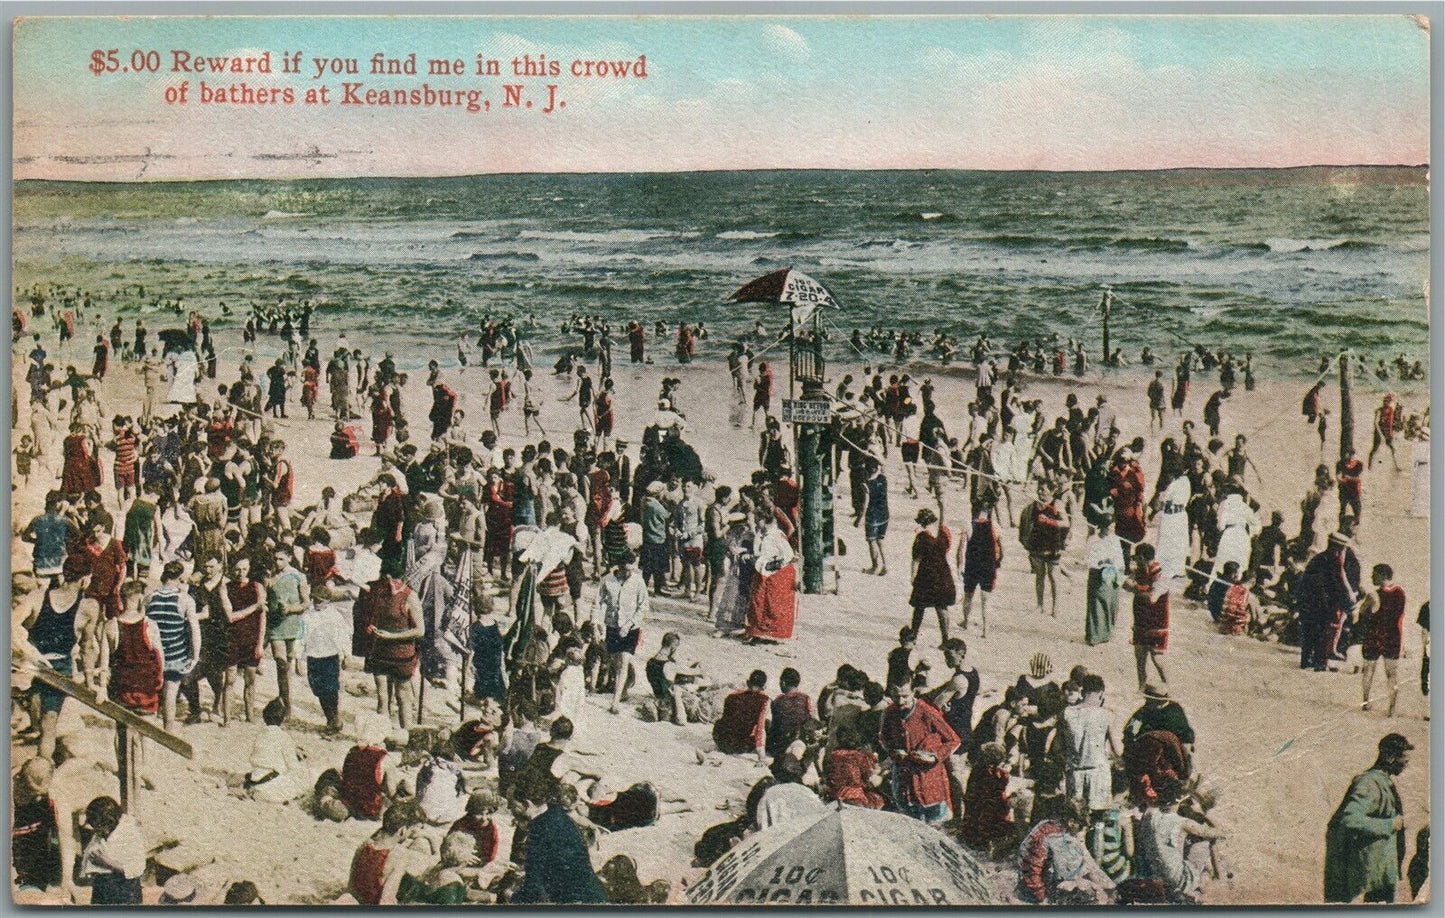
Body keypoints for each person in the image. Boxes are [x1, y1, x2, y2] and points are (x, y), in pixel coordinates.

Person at [1324, 733, 1412, 903]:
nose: (1405, 766)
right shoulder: (1369, 783)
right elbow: (1349, 819)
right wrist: (1389, 825)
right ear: (1390, 757)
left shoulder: (1384, 782)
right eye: (1404, 761)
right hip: (1366, 880)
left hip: (1380, 875)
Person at [878, 679, 960, 825]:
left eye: (905, 696)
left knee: (937, 825)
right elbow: (884, 738)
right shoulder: (889, 712)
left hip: (929, 780)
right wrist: (893, 752)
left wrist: (934, 757)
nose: (901, 701)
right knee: (909, 825)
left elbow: (953, 740)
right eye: (896, 697)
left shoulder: (926, 711)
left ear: (913, 692)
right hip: (904, 781)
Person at [513, 785, 608, 904]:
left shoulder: (540, 827)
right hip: (591, 895)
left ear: (527, 804)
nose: (509, 808)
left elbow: (533, 884)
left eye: (512, 805)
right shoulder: (555, 813)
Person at [1135, 777, 1224, 903]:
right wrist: (1204, 815)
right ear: (1180, 799)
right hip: (1176, 880)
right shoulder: (1182, 823)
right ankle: (1201, 886)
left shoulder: (1150, 813)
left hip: (1150, 872)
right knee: (1203, 843)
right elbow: (1218, 833)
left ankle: (1211, 877)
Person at [144, 561, 201, 731]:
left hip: (153, 655)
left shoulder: (150, 596)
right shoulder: (185, 599)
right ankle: (168, 732)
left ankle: (151, 729)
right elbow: (194, 629)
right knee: (170, 695)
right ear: (180, 577)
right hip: (176, 654)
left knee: (153, 694)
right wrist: (194, 655)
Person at [1296, 531, 1361, 672]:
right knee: (1324, 633)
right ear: (1339, 548)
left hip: (1308, 602)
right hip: (1323, 605)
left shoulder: (1318, 558)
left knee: (1309, 632)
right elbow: (1341, 583)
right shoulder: (1335, 560)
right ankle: (1321, 663)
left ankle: (1306, 660)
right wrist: (1351, 602)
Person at [1059, 674, 1119, 814]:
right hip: (1098, 772)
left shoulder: (1066, 713)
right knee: (1098, 819)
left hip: (1075, 773)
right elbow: (1118, 749)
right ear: (1100, 693)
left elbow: (1058, 746)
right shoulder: (1107, 715)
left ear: (1083, 691)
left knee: (1076, 817)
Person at [1358, 564, 1406, 717]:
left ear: (1382, 575)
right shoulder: (1399, 593)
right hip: (1391, 637)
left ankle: (1366, 702)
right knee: (1391, 673)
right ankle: (1391, 709)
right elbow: (1396, 616)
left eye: (1374, 574)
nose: (1372, 577)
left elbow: (1362, 616)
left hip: (1374, 636)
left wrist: (1371, 605)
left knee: (1368, 670)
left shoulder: (1374, 595)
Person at [78, 796, 146, 905]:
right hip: (102, 888)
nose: (96, 830)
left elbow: (137, 869)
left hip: (124, 891)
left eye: (98, 826)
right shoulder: (101, 834)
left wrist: (107, 862)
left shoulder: (129, 833)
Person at [246, 698, 311, 803]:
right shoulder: (284, 737)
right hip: (269, 787)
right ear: (282, 719)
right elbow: (293, 767)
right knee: (301, 778)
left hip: (255, 781)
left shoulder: (260, 735)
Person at [12, 757, 62, 891]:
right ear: (20, 779)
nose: (39, 797)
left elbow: (63, 829)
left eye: (42, 793)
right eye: (33, 792)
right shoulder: (11, 789)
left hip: (39, 835)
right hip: (18, 836)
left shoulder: (52, 781)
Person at [908, 508, 956, 646]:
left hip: (926, 575)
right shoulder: (943, 535)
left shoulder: (921, 537)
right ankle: (945, 639)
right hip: (942, 574)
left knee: (919, 607)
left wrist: (912, 576)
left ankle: (914, 636)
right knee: (942, 608)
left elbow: (916, 559)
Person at [746, 514, 796, 645]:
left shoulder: (776, 534)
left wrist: (773, 565)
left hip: (776, 574)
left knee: (773, 604)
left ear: (766, 521)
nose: (757, 523)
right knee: (758, 601)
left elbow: (788, 554)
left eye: (759, 520)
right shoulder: (762, 533)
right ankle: (758, 632)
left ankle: (772, 635)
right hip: (763, 571)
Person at [1021, 481, 1069, 617]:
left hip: (1053, 544)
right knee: (1039, 575)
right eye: (1039, 490)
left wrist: (1050, 520)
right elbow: (1026, 521)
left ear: (1051, 491)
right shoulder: (1034, 505)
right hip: (1038, 544)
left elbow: (1066, 522)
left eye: (1043, 490)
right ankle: (1040, 605)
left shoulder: (1057, 504)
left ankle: (1055, 607)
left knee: (1053, 576)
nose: (1040, 492)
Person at [1128, 545, 1169, 691]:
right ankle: (1141, 687)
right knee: (1139, 655)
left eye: (1137, 559)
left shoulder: (1160, 575)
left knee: (1157, 657)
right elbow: (1127, 583)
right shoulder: (1140, 570)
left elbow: (1151, 597)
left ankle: (1167, 685)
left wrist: (1135, 588)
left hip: (1156, 621)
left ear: (1142, 558)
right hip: (1141, 619)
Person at [960, 504, 1001, 638]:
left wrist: (959, 565)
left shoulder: (969, 525)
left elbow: (961, 549)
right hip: (988, 565)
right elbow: (1000, 548)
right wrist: (997, 563)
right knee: (986, 600)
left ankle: (966, 622)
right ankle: (985, 630)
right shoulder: (995, 526)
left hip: (972, 565)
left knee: (968, 596)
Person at [1085, 516, 1125, 646]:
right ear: (1102, 527)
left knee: (1110, 605)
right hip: (1097, 575)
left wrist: (1117, 569)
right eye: (1109, 527)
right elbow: (1090, 559)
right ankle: (1094, 636)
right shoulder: (1093, 540)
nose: (1111, 529)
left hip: (1112, 575)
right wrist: (1103, 562)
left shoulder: (1115, 540)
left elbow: (1119, 559)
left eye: (1113, 527)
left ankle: (1106, 634)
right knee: (1096, 605)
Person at [713, 669, 770, 758]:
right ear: (763, 687)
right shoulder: (764, 700)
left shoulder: (732, 696)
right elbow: (760, 729)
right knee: (766, 723)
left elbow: (725, 720)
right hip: (739, 747)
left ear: (748, 683)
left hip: (721, 742)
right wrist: (762, 757)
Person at [861, 458, 889, 576]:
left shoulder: (866, 485)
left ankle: (875, 566)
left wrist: (859, 518)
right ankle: (885, 565)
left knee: (871, 540)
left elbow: (865, 503)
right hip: (884, 513)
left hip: (873, 515)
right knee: (880, 540)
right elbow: (882, 465)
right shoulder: (883, 479)